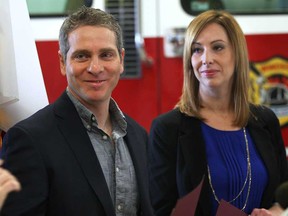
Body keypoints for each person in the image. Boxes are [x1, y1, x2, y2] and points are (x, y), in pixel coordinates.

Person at [0, 6, 154, 216]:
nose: (96, 68)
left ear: (121, 60)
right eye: (82, 56)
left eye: (106, 55)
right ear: (63, 62)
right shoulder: (29, 139)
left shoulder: (138, 136)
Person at [148, 10, 288, 216]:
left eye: (218, 47)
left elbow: (282, 193)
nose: (206, 58)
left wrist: (275, 211)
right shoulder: (168, 128)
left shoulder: (265, 120)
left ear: (237, 54)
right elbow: (161, 209)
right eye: (197, 50)